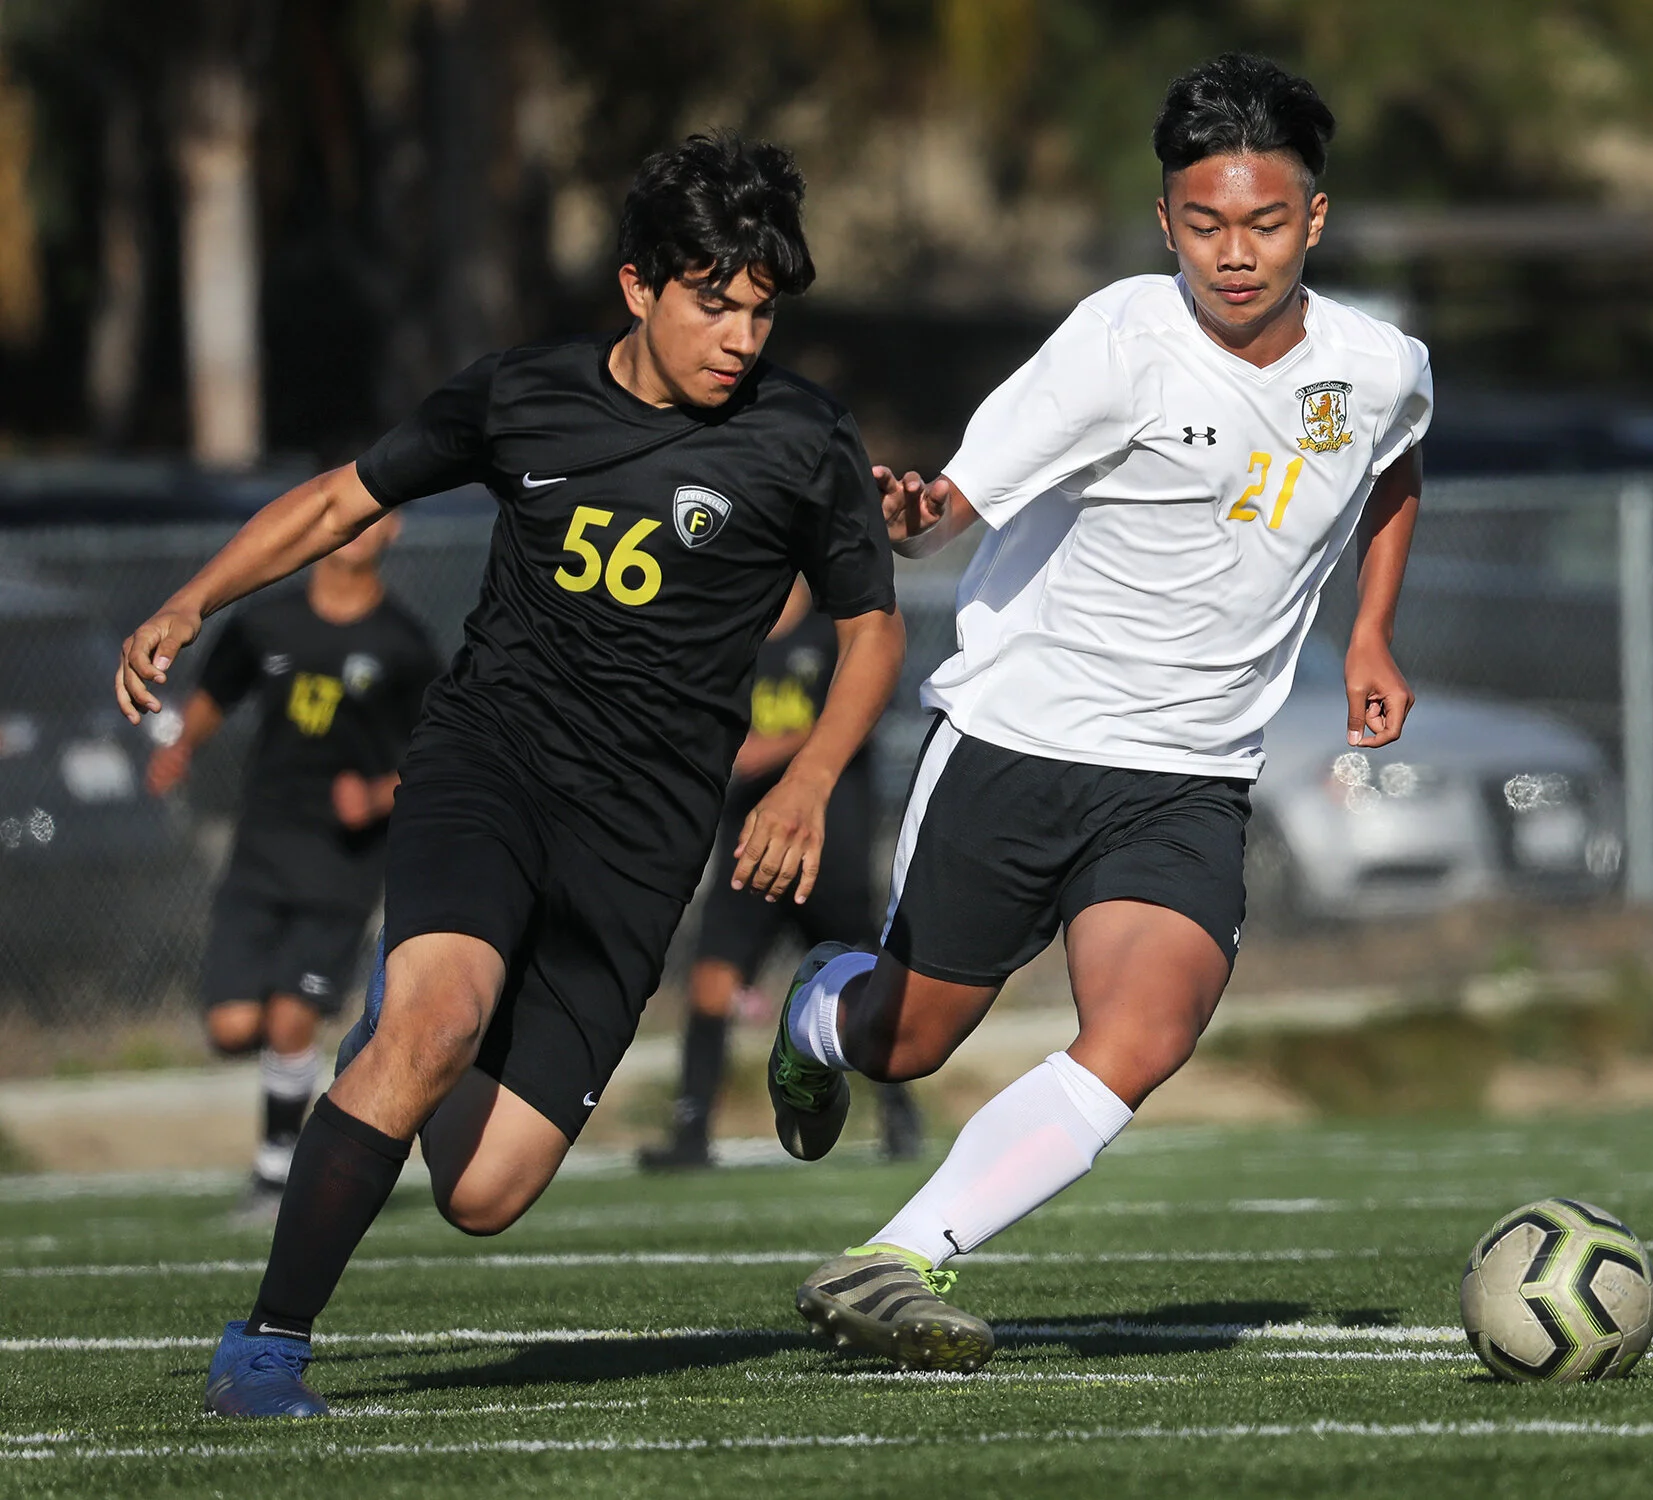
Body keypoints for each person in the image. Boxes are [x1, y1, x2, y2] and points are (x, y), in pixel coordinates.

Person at [114, 130, 903, 1418]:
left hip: (643, 839)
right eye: (715, 303)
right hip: (492, 764)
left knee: (483, 1195)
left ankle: (414, 1030)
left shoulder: (803, 439)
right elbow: (337, 502)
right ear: (638, 285)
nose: (742, 338)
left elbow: (873, 629)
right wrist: (192, 601)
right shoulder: (520, 394)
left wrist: (809, 778)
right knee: (437, 1022)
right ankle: (266, 1347)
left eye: (762, 311)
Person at [767, 54, 1432, 1372]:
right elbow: (954, 501)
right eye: (1202, 224)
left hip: (1186, 777)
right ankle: (817, 1016)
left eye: (1262, 221)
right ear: (1165, 220)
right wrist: (912, 519)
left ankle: (898, 1257)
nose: (1232, 254)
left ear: (1314, 217)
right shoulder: (1117, 343)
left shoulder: (1380, 365)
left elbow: (1398, 462)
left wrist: (1369, 631)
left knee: (1147, 1031)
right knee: (908, 1041)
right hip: (1021, 746)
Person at [145, 513, 437, 1220]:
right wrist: (181, 747)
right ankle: (302, 1098)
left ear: (392, 531)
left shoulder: (403, 644)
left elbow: (436, 756)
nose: (360, 529)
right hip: (263, 847)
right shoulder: (267, 623)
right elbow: (216, 693)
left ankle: (276, 1177)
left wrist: (373, 794)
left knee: (290, 1016)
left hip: (342, 861)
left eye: (378, 518)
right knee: (232, 1026)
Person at [638, 579, 921, 1172]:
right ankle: (692, 1131)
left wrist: (772, 749)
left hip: (827, 847)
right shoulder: (728, 638)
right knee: (711, 981)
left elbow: (863, 711)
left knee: (871, 976)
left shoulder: (835, 634)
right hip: (750, 847)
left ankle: (899, 1115)